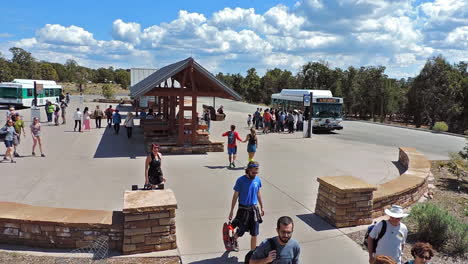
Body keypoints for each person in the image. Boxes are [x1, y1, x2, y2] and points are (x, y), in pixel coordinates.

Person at [228, 161, 264, 252]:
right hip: (243, 209)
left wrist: (262, 206)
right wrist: (231, 210)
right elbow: (235, 196)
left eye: (256, 173)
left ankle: (253, 253)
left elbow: (258, 193)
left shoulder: (257, 180)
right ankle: (234, 239)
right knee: (241, 230)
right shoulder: (240, 180)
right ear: (248, 170)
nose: (255, 175)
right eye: (253, 172)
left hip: (254, 209)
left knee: (254, 233)